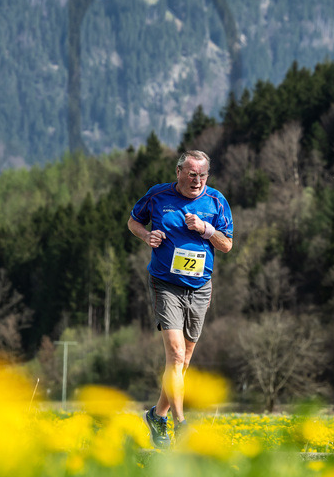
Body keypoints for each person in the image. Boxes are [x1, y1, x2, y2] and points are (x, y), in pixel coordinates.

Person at [127, 149, 233, 447]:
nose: (197, 180)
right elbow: (133, 222)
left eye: (202, 175)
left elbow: (226, 246)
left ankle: (157, 415)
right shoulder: (158, 196)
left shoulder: (216, 201)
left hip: (200, 288)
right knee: (174, 355)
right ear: (178, 172)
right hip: (166, 284)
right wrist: (146, 236)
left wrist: (206, 229)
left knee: (183, 362)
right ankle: (180, 424)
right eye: (191, 174)